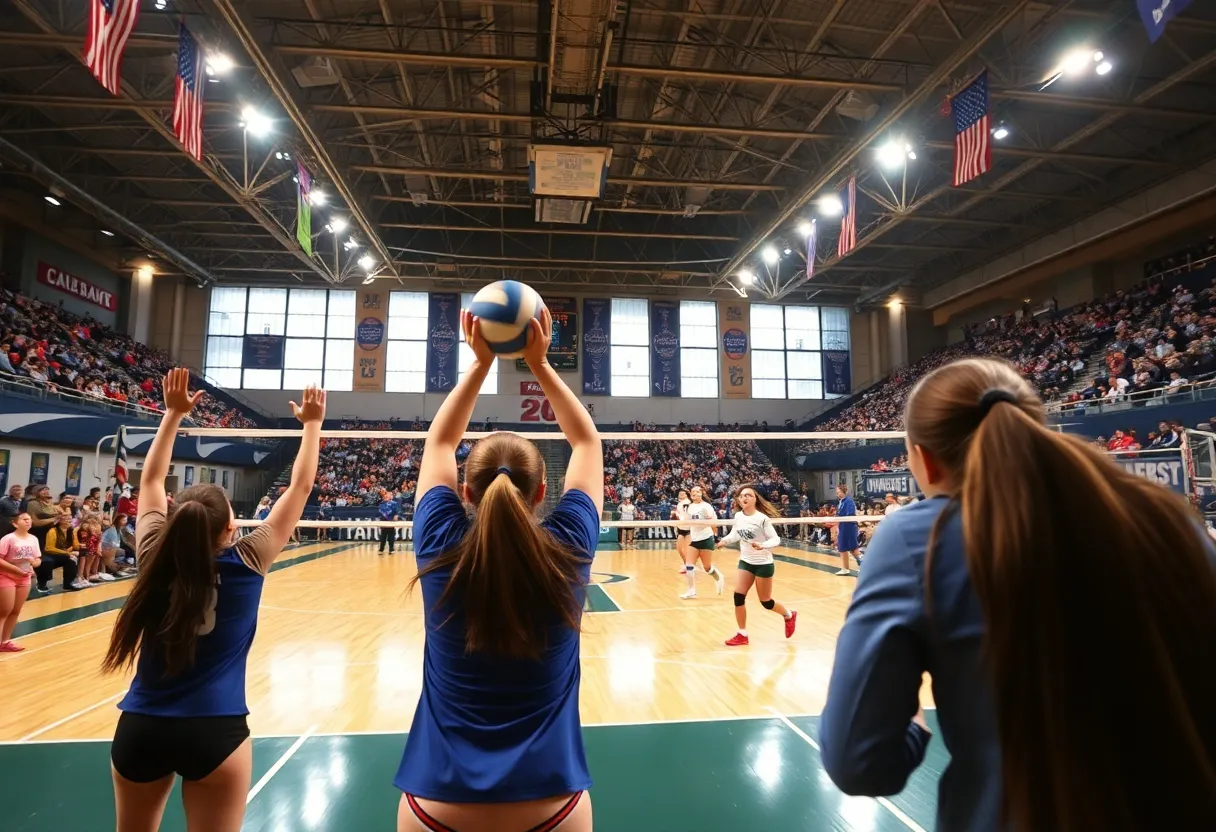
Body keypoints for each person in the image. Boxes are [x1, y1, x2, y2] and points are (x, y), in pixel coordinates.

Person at [819, 358, 1216, 832]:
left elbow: (859, 761)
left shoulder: (916, 536)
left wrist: (913, 727)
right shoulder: (1168, 520)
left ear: (923, 460)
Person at [395, 307, 600, 832]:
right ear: (541, 493)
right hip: (553, 806)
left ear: (465, 491)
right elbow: (587, 443)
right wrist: (539, 362)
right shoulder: (570, 548)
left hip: (434, 806)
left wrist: (480, 363)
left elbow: (439, 443)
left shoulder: (438, 544)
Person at [101, 369, 325, 832]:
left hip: (142, 725)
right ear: (230, 529)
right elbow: (300, 489)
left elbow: (150, 482)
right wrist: (311, 426)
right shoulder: (247, 563)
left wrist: (173, 414)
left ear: (175, 516)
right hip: (215, 728)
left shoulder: (151, 557)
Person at [717, 485, 796, 647]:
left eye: (748, 495)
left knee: (766, 601)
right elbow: (735, 534)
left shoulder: (762, 519)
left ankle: (788, 615)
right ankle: (742, 634)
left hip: (763, 564)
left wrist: (763, 545)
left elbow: (776, 539)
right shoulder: (738, 516)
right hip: (746, 561)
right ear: (738, 500)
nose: (744, 498)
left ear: (755, 499)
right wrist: (725, 540)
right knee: (738, 596)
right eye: (741, 496)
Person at [0, 512, 41, 652]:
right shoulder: (8, 539)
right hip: (6, 576)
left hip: (25, 577)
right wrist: (15, 570)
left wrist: (35, 563)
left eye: (29, 519)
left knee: (15, 611)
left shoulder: (34, 539)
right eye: (24, 519)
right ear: (15, 523)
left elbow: (37, 559)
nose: (28, 521)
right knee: (4, 610)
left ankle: (5, 642)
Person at [680, 485, 725, 599]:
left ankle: (719, 578)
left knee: (707, 567)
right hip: (694, 540)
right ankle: (691, 591)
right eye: (693, 491)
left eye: (697, 491)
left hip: (706, 538)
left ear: (701, 493)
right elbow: (686, 522)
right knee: (689, 566)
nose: (695, 493)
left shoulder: (706, 506)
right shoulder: (688, 507)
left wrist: (715, 536)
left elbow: (714, 523)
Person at [834, 484, 860, 576]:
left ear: (844, 491)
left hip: (849, 526)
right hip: (842, 526)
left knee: (853, 549)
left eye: (839, 492)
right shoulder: (841, 502)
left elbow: (850, 514)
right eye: (837, 492)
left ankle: (864, 566)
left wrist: (840, 517)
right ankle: (845, 568)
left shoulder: (849, 501)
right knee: (842, 548)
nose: (838, 494)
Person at [671, 489, 692, 573]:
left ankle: (689, 567)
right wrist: (674, 514)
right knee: (679, 549)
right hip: (681, 528)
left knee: (686, 550)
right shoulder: (679, 503)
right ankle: (686, 564)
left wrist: (677, 515)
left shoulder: (687, 503)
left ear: (686, 494)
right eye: (680, 493)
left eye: (683, 493)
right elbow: (679, 514)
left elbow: (686, 515)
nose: (681, 494)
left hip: (688, 528)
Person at [378, 489, 401, 554]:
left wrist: (396, 515)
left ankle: (391, 549)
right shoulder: (382, 503)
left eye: (388, 495)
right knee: (383, 536)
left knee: (391, 536)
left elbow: (398, 510)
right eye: (385, 496)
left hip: (391, 521)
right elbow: (381, 512)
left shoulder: (394, 503)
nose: (386, 497)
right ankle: (381, 549)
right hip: (383, 522)